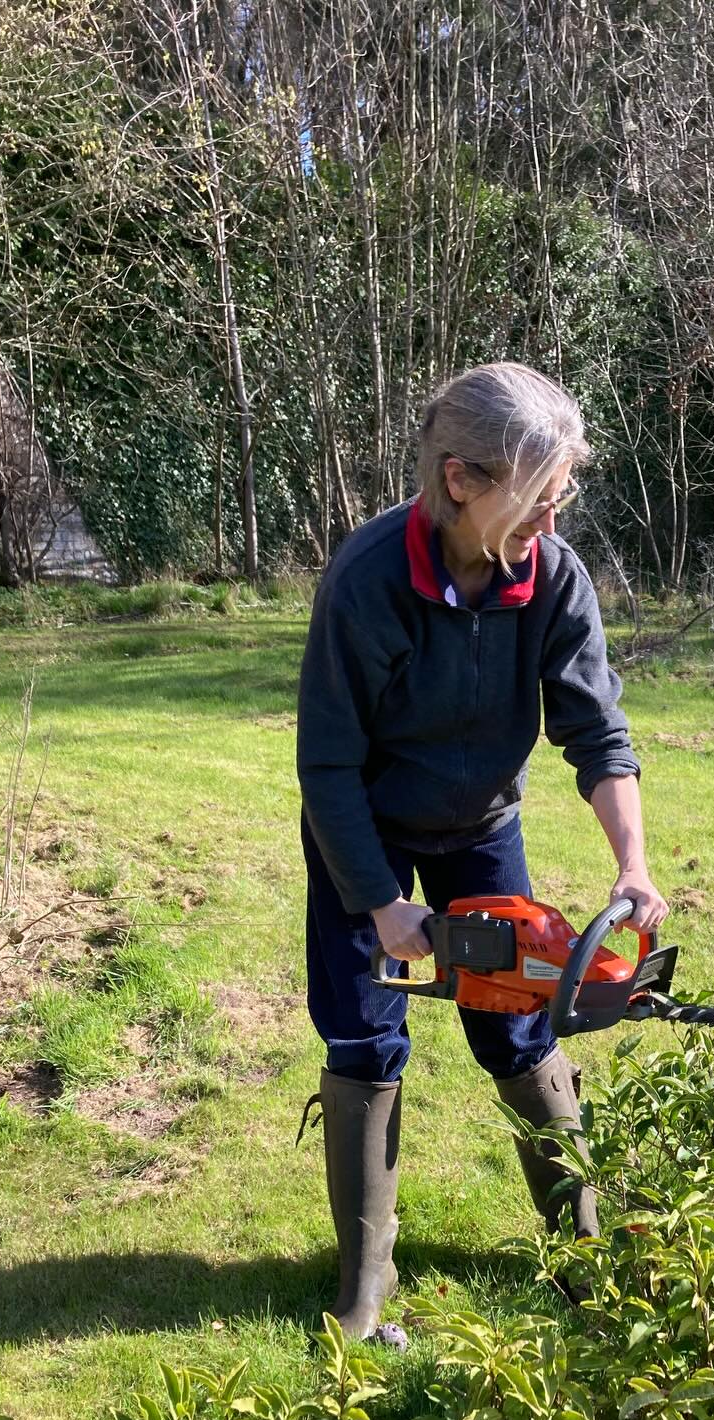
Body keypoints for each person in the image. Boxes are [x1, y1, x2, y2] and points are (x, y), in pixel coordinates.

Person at [297, 362, 668, 1339]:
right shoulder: (368, 579)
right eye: (536, 497)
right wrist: (383, 906)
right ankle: (364, 1292)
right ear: (460, 480)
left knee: (519, 1023)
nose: (552, 518)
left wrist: (632, 865)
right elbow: (328, 768)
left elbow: (595, 730)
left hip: (481, 825)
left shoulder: (552, 575)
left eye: (561, 499)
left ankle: (583, 1256)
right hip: (363, 830)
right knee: (367, 1035)